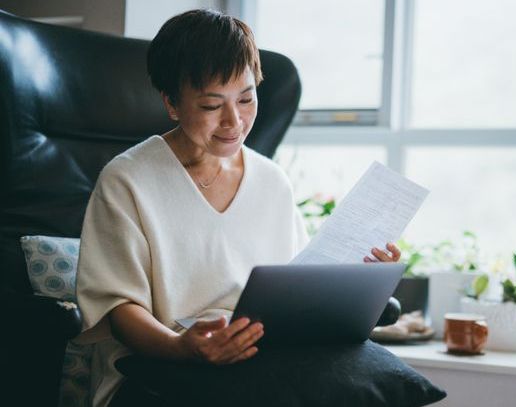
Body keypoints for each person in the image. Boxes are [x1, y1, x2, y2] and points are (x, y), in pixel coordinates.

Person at [76, 9, 401, 407]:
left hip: (267, 358)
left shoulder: (271, 181)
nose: (234, 121)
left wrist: (358, 280)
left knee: (372, 379)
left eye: (246, 98)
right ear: (172, 104)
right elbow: (118, 308)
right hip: (158, 367)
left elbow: (295, 290)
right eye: (213, 106)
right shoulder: (127, 180)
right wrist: (181, 347)